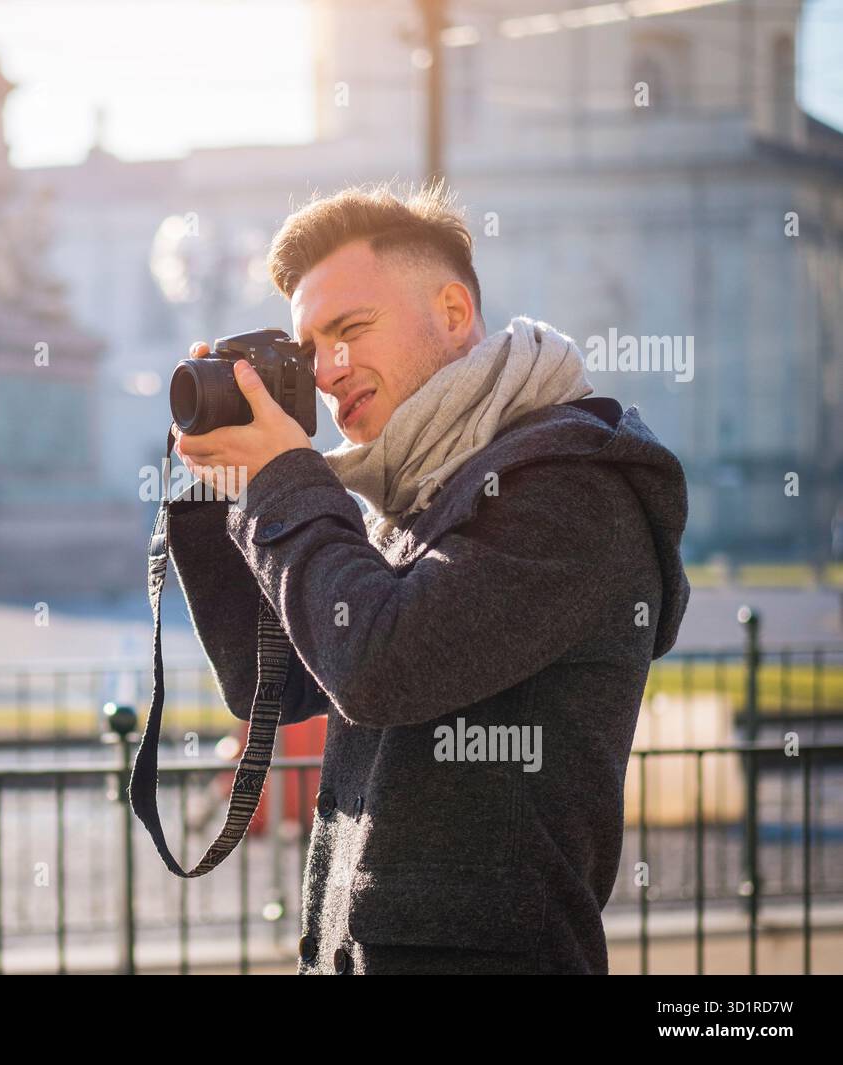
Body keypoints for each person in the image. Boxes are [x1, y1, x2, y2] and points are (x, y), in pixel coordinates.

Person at [165, 180, 691, 975]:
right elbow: (278, 684)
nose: (328, 371)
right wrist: (230, 487)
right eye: (309, 352)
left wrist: (283, 481)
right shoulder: (415, 492)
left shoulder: (573, 487)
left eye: (351, 329)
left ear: (452, 312)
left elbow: (378, 664)